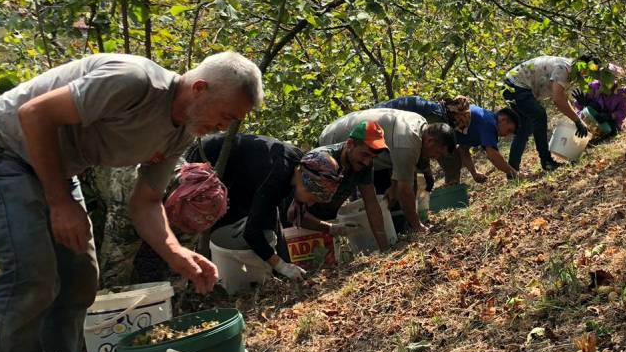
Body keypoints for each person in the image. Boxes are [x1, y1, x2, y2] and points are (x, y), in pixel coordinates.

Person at [0, 52, 263, 352]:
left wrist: (176, 253)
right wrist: (58, 201)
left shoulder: (182, 131)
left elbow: (146, 201)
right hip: (0, 150)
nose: (226, 125)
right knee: (32, 273)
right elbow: (35, 114)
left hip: (58, 167)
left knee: (80, 275)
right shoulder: (134, 81)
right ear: (200, 89)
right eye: (228, 114)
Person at [184, 136, 340, 281]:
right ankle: (207, 275)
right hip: (209, 158)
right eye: (312, 198)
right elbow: (251, 233)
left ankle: (279, 273)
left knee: (268, 216)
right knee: (211, 219)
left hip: (241, 170)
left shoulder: (301, 162)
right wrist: (281, 266)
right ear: (304, 182)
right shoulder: (275, 178)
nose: (311, 204)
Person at [319, 109, 455, 235]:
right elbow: (405, 190)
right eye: (438, 153)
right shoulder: (408, 142)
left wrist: (395, 185)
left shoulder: (422, 125)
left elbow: (403, 167)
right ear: (430, 141)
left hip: (358, 140)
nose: (436, 158)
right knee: (336, 192)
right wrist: (417, 226)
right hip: (335, 137)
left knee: (382, 192)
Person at [300, 120, 390, 250]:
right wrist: (332, 228)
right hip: (298, 228)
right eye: (364, 154)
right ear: (350, 144)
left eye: (372, 157)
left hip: (327, 222)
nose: (367, 162)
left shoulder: (364, 164)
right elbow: (295, 213)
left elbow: (371, 203)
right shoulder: (320, 161)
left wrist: (384, 248)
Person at [503, 55, 592, 173]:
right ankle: (546, 161)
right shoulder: (563, 69)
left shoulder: (567, 69)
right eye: (587, 71)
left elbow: (562, 98)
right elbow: (558, 100)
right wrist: (577, 121)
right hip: (515, 86)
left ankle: (512, 171)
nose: (586, 75)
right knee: (539, 116)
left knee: (525, 127)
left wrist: (576, 118)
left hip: (513, 84)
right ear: (581, 65)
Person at [373, 95, 471, 187]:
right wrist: (426, 173)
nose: (459, 124)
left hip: (379, 118)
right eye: (460, 120)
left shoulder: (437, 109)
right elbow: (423, 149)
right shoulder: (436, 118)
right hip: (378, 122)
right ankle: (451, 186)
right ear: (455, 113)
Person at [454, 106, 520, 182]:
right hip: (439, 129)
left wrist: (474, 172)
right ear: (503, 119)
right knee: (452, 173)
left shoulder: (486, 118)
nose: (506, 135)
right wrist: (516, 174)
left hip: (441, 130)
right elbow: (493, 156)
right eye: (509, 130)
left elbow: (463, 148)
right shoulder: (489, 124)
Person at [574, 65, 626, 139]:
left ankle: (598, 136)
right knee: (593, 106)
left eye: (608, 78)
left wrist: (609, 116)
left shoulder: (621, 93)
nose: (604, 81)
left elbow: (622, 111)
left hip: (608, 122)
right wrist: (581, 103)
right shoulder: (593, 86)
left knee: (612, 131)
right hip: (589, 119)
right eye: (602, 78)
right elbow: (582, 108)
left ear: (614, 78)